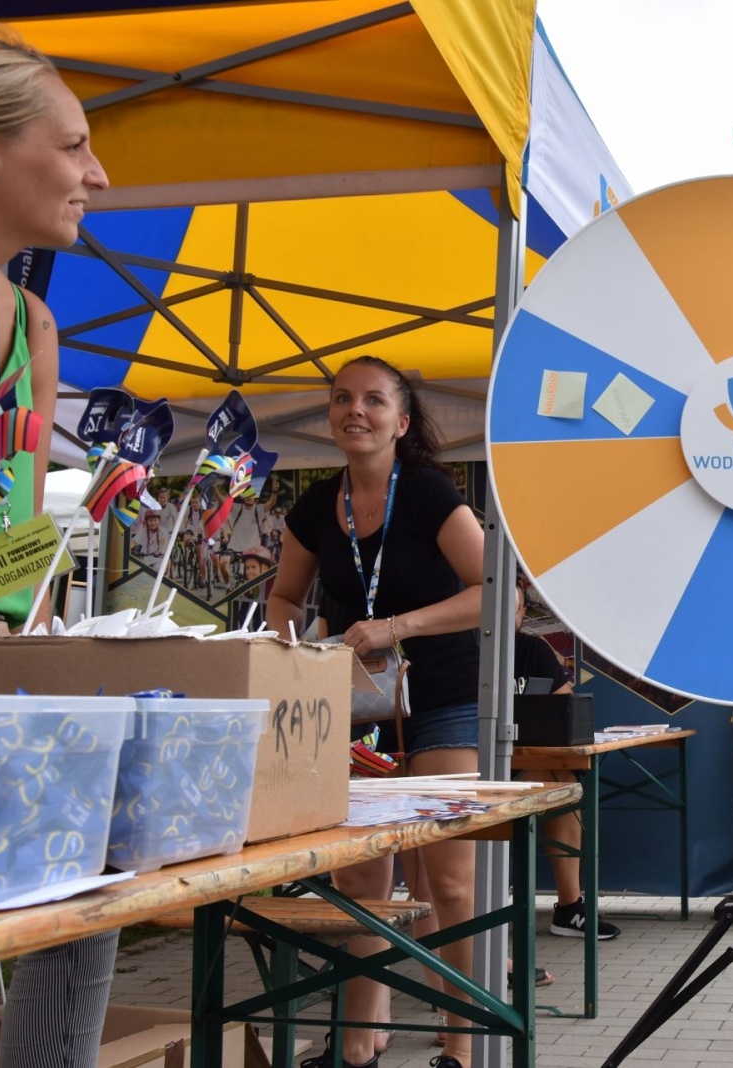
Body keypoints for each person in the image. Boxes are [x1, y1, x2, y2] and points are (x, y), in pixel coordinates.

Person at [0, 26, 114, 1068]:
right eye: (75, 143)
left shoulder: (28, 324)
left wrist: (31, 653)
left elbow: (11, 535)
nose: (97, 174)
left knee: (84, 851)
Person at [267, 355, 484, 1068]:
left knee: (449, 880)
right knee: (360, 878)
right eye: (341, 400)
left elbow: (499, 597)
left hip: (444, 702)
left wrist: (396, 627)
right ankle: (362, 1035)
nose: (354, 411)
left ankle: (463, 1039)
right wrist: (293, 652)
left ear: (401, 418)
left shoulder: (427, 493)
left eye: (373, 400)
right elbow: (285, 602)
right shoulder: (311, 505)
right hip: (353, 712)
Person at [510, 576, 621, 941]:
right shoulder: (462, 650)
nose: (505, 615)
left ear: (523, 612)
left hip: (521, 762)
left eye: (513, 607)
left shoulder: (533, 651)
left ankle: (569, 908)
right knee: (561, 779)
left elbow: (566, 706)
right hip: (467, 766)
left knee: (566, 780)